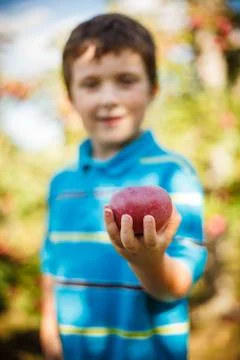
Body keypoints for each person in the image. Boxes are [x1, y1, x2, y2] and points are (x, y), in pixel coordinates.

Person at [40, 13, 208, 360]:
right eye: (91, 84)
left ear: (153, 90)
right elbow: (52, 264)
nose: (108, 98)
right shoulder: (61, 184)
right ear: (70, 96)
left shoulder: (173, 175)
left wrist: (148, 261)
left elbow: (177, 286)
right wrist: (48, 328)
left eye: (126, 80)